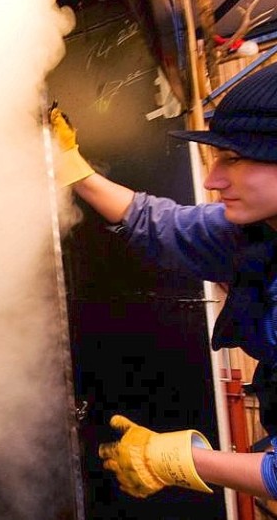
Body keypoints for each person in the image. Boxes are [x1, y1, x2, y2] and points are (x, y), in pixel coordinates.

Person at [51, 60, 277, 500]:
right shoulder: (258, 231)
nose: (212, 180)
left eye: (232, 159)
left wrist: (174, 459)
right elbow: (164, 225)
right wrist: (76, 172)